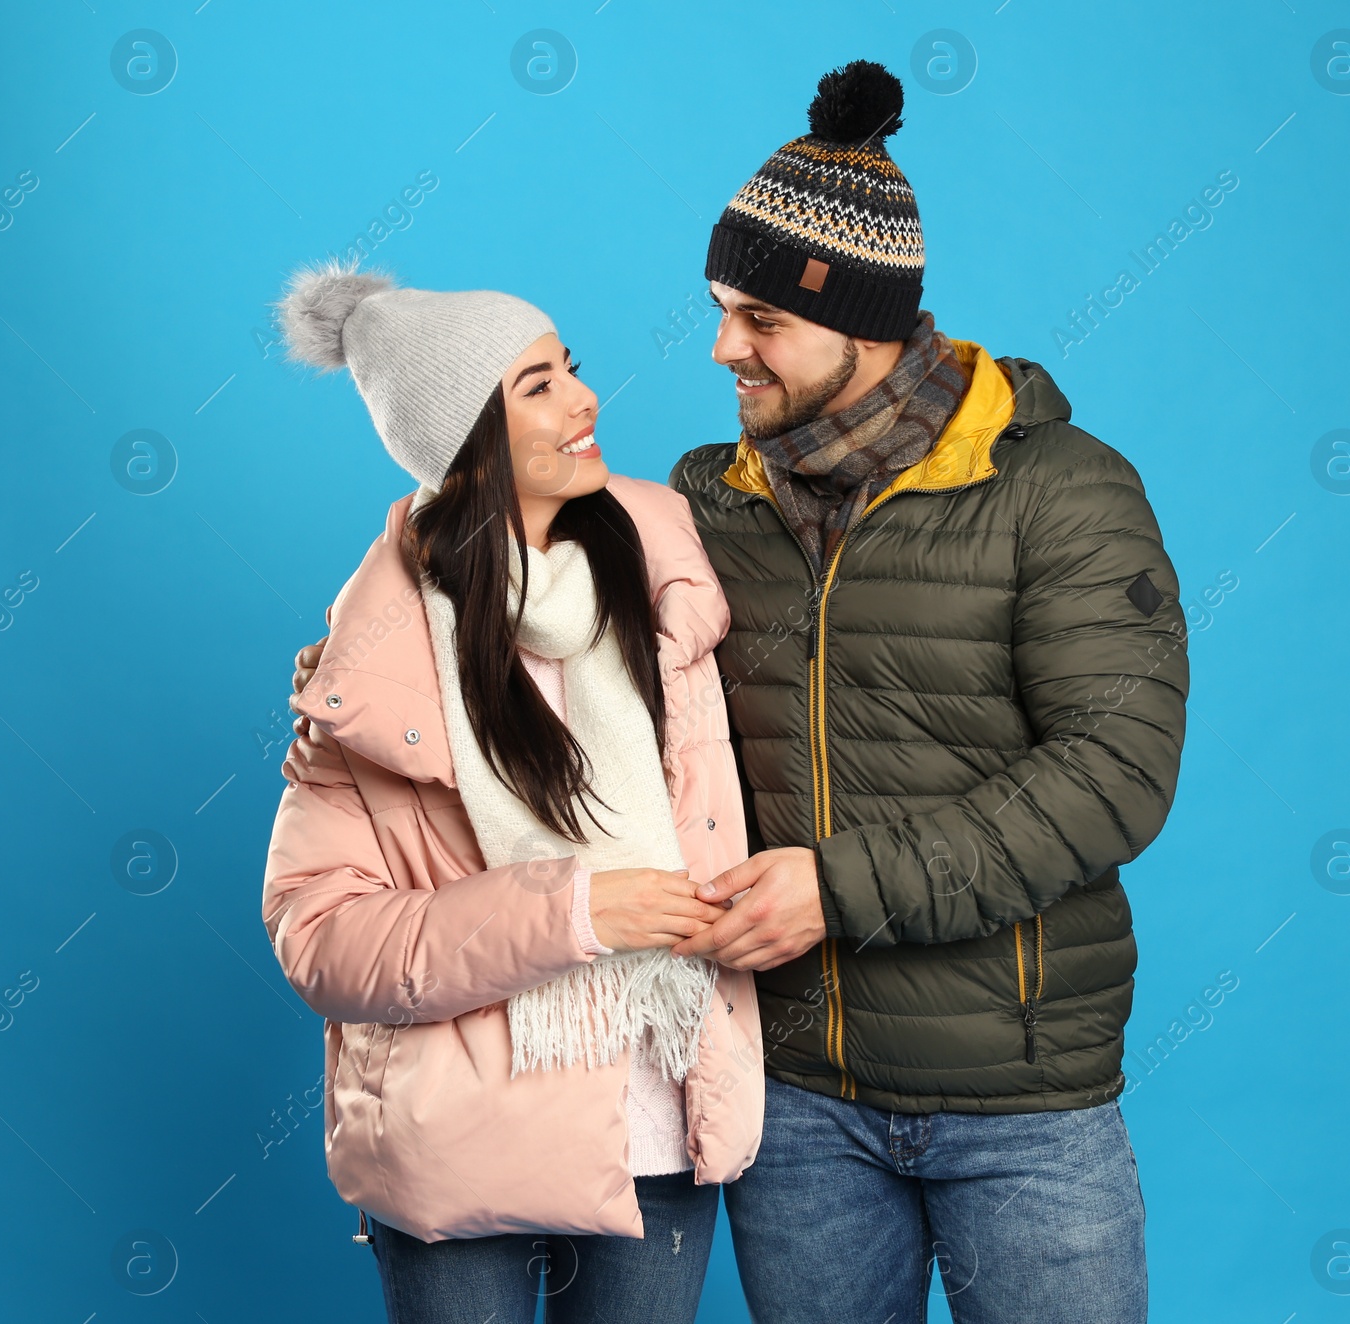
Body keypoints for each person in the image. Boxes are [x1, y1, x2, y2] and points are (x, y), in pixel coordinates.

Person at [660, 61, 1190, 1322]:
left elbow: (1114, 773)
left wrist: (834, 889)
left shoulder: (1059, 490)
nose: (724, 345)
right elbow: (573, 664)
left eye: (761, 318)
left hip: (1020, 1101)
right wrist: (377, 659)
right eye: (720, 308)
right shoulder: (704, 500)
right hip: (789, 1103)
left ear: (865, 323)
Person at [261, 261, 763, 1324]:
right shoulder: (373, 667)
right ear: (466, 441)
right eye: (537, 385)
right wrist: (575, 910)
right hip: (454, 1145)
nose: (584, 400)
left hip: (662, 1121)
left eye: (569, 369)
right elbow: (322, 938)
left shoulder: (671, 577)